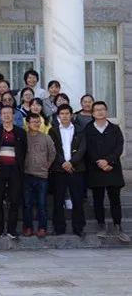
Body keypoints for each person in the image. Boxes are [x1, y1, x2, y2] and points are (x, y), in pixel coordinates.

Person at [84, 101, 129, 243]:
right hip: (95, 168)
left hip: (112, 168)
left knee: (115, 199)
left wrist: (108, 161)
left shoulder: (114, 128)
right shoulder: (88, 129)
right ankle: (101, 225)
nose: (100, 112)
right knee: (98, 199)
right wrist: (99, 162)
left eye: (102, 109)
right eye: (96, 110)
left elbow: (119, 147)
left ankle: (118, 226)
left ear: (106, 111)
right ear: (92, 113)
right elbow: (87, 149)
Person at [48, 104, 87, 238]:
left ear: (71, 115)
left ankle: (78, 227)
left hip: (76, 169)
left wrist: (71, 162)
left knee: (77, 199)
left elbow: (82, 149)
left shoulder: (80, 130)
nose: (64, 116)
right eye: (62, 114)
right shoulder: (52, 131)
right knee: (58, 200)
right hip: (59, 170)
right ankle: (59, 228)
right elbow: (52, 149)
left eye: (67, 113)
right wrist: (63, 163)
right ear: (58, 116)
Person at [0, 105, 28, 240]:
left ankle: (12, 229)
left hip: (15, 170)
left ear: (13, 115)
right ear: (0, 116)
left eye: (9, 113)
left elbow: (24, 151)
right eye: (4, 113)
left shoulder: (20, 132)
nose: (6, 115)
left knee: (14, 200)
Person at [22, 113, 56, 238]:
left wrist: (47, 166)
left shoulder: (46, 138)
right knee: (27, 204)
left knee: (42, 204)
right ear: (28, 123)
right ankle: (28, 227)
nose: (36, 124)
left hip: (42, 176)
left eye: (38, 122)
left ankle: (42, 228)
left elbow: (52, 153)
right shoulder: (24, 137)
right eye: (34, 122)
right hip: (27, 175)